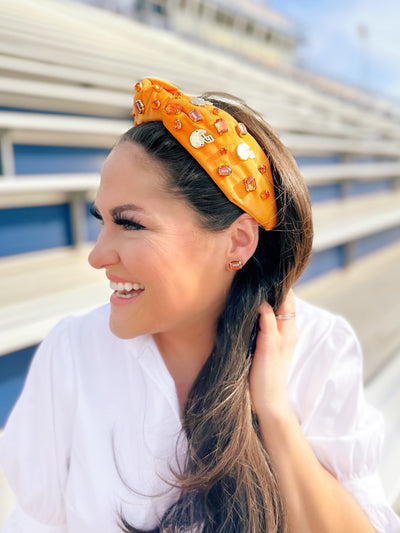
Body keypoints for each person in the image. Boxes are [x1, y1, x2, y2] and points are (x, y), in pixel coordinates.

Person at [0, 77, 399, 533]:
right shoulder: (72, 352)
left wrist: (274, 415)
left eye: (130, 224)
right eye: (101, 221)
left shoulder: (320, 350)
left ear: (238, 242)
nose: (96, 256)